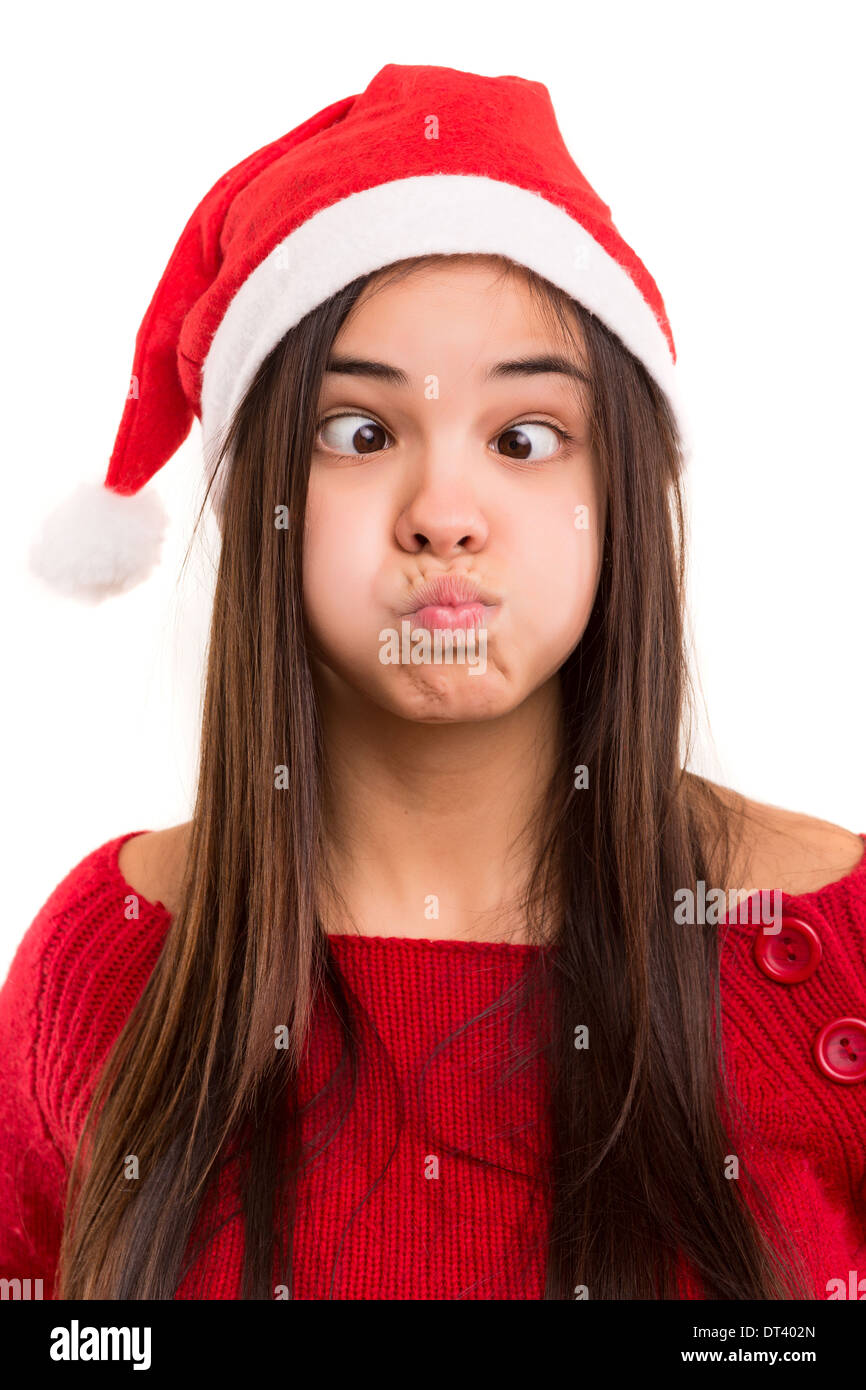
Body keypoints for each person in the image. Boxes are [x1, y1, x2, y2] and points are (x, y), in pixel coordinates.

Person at [3, 63, 865, 1301]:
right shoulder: (109, 959)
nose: (443, 515)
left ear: (615, 494)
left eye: (523, 439)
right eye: (359, 434)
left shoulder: (828, 947)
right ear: (267, 507)